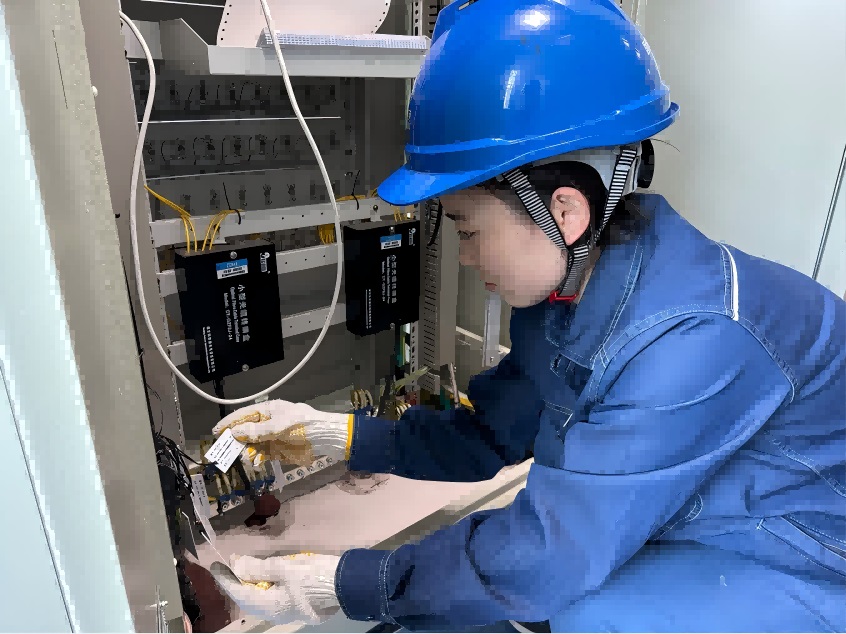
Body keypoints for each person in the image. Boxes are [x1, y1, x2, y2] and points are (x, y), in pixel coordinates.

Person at [209, 0, 846, 631]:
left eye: (467, 229)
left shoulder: (691, 342)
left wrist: (343, 585)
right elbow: (491, 436)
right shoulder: (567, 300)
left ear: (563, 212)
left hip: (808, 551)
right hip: (707, 506)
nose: (463, 257)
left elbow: (548, 557)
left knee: (587, 615)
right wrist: (341, 436)